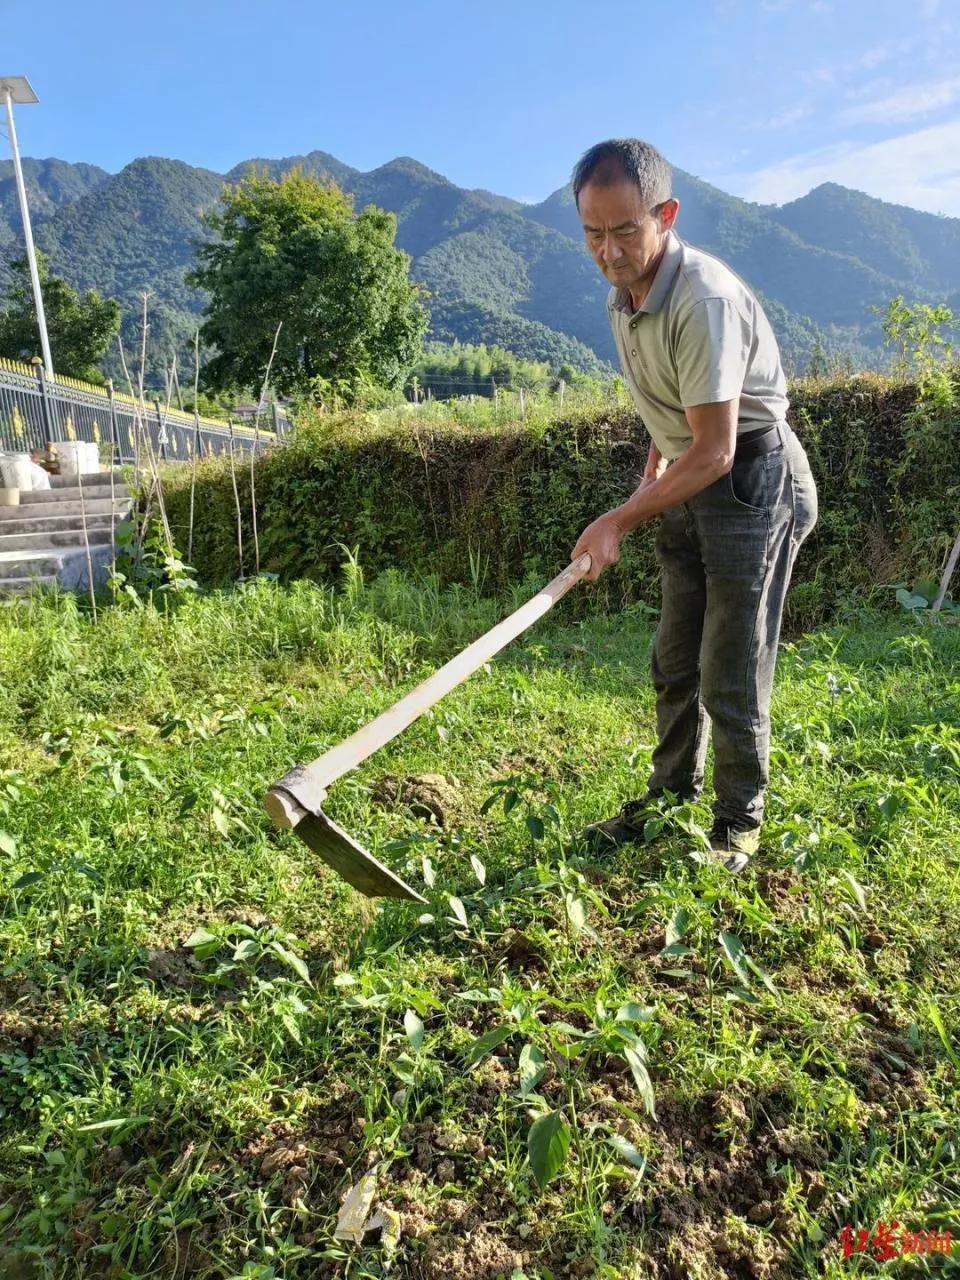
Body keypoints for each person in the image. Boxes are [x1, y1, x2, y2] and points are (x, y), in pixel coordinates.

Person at [569, 138, 818, 872]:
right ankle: (669, 794)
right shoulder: (625, 297)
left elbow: (715, 449)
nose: (608, 251)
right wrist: (647, 483)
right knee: (674, 656)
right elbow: (667, 415)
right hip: (688, 473)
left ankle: (738, 825)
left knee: (730, 664)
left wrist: (620, 517)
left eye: (623, 230)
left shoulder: (700, 296)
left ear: (665, 214)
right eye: (591, 233)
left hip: (748, 479)